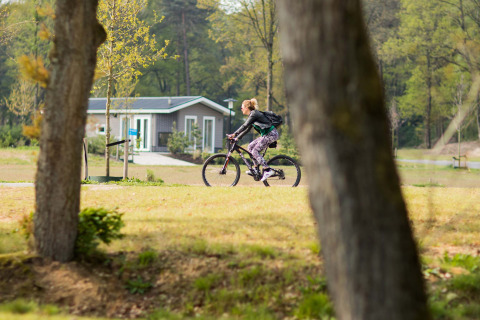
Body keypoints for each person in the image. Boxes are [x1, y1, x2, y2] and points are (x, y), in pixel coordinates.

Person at [227, 98, 279, 182]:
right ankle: (256, 169)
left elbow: (244, 125)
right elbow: (247, 129)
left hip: (271, 134)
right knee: (250, 147)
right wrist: (237, 138)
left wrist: (234, 134)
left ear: (246, 108)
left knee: (255, 151)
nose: (241, 109)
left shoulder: (254, 114)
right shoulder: (253, 115)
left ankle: (267, 170)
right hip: (266, 135)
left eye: (242, 107)